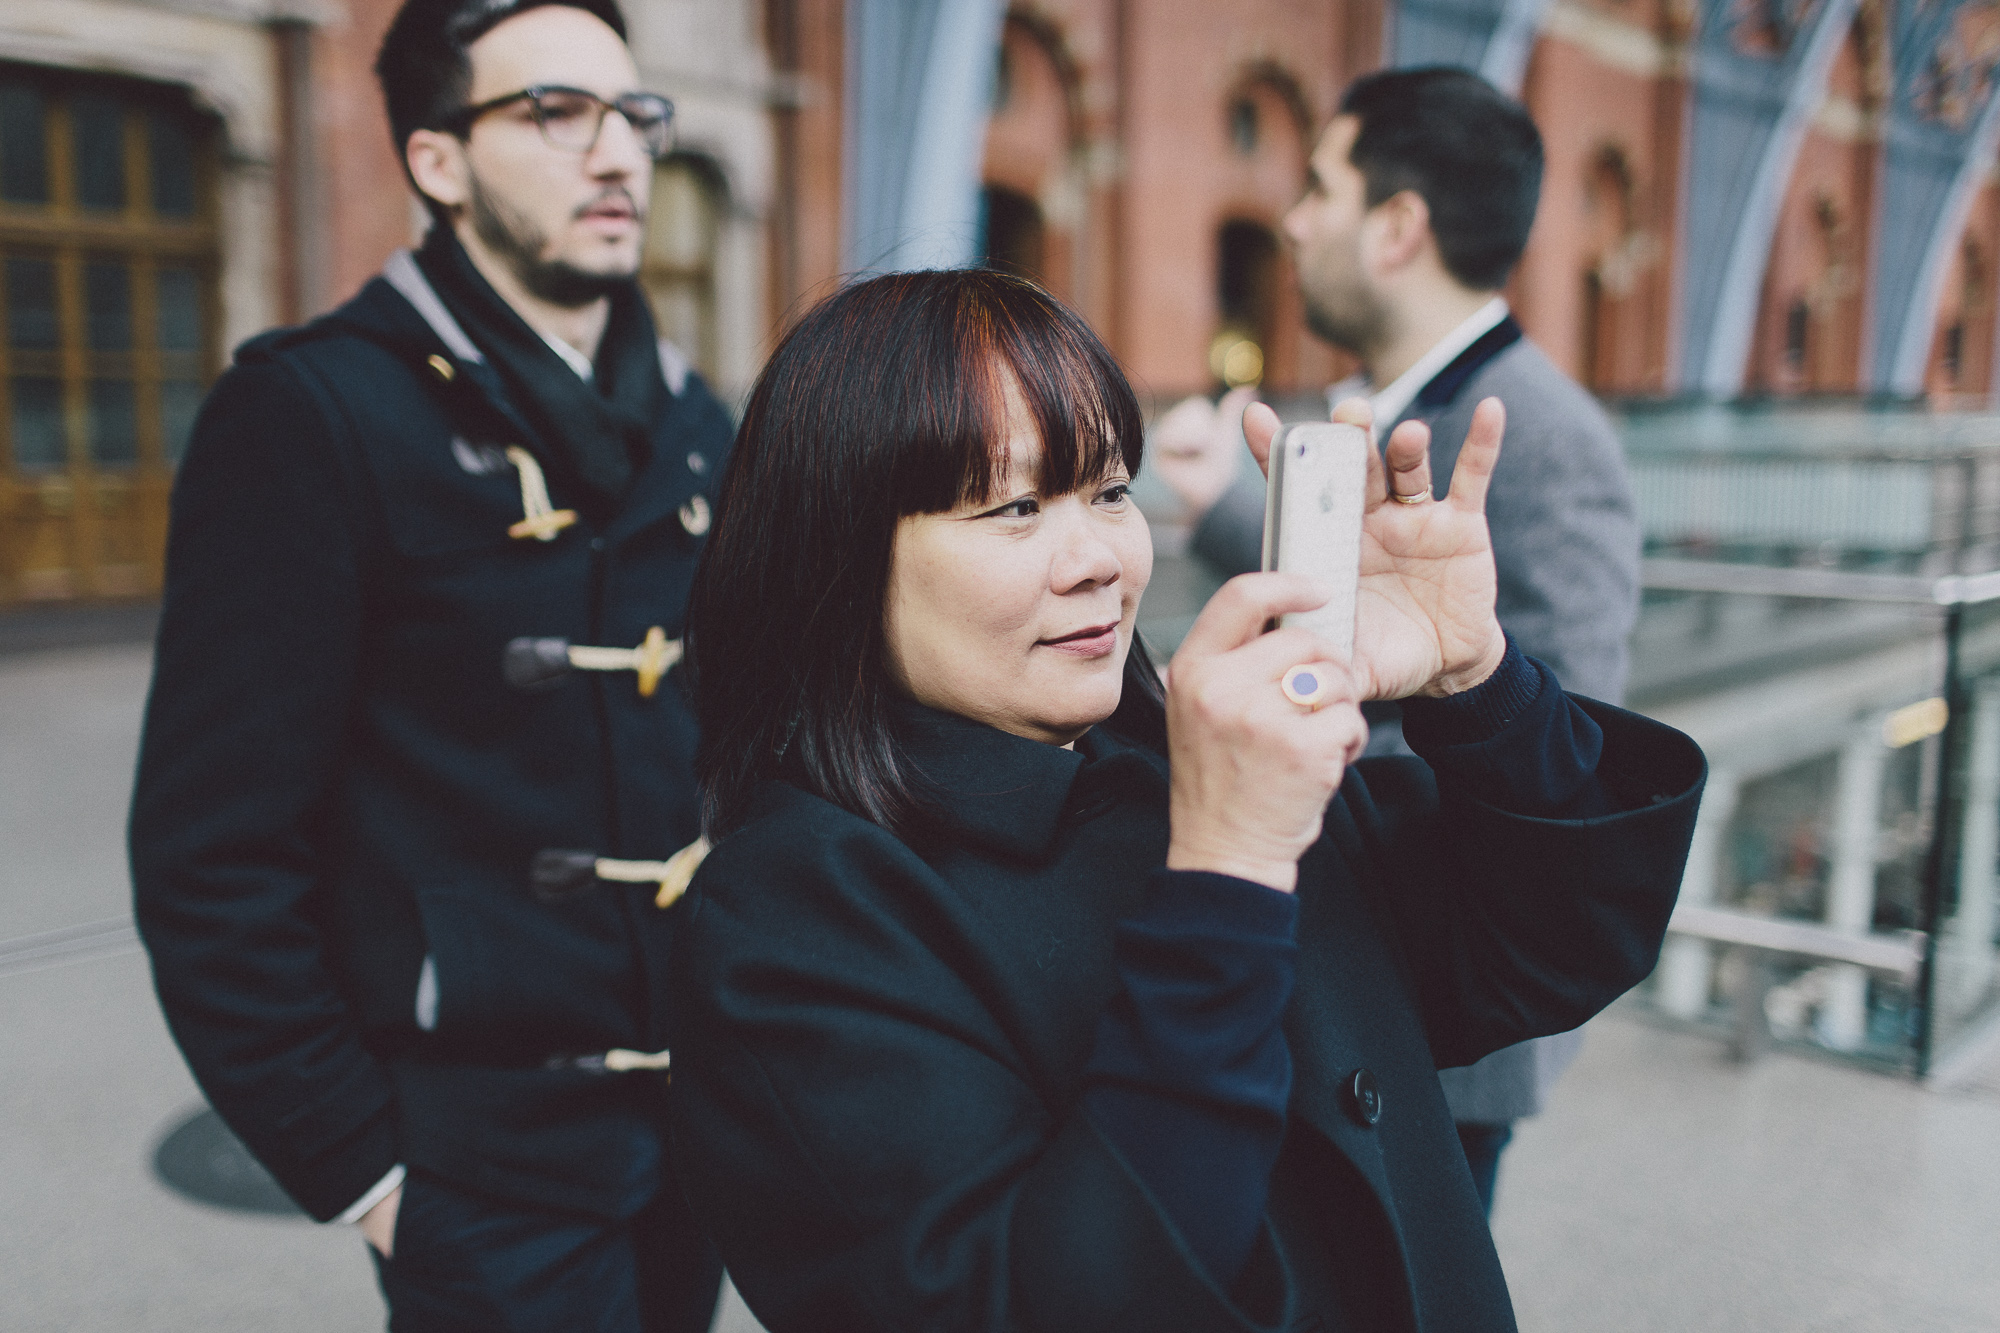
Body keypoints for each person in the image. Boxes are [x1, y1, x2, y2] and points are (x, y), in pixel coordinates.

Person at [665, 268, 1701, 1331]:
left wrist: (1479, 681)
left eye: (1110, 490)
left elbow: (1558, 943)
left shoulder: (1185, 766)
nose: (1099, 562)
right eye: (1015, 507)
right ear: (837, 558)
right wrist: (1225, 870)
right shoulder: (791, 917)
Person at [128, 1, 728, 1326]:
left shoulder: (696, 418)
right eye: (557, 113)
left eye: (634, 116)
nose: (618, 154)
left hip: (698, 1138)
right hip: (476, 1174)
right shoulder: (310, 412)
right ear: (437, 159)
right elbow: (210, 856)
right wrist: (367, 1174)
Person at [1153, 66, 1641, 1212]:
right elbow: (1364, 624)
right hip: (1330, 981)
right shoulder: (1373, 403)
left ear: (1396, 226)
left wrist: (1245, 747)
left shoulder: (1547, 438)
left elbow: (1549, 746)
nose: (1291, 222)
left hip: (1435, 1027)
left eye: (1319, 188)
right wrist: (1229, 510)